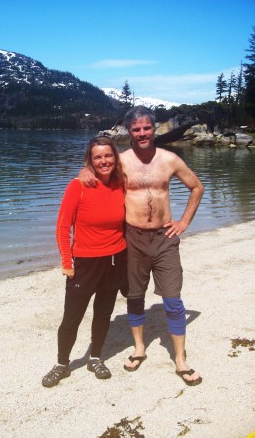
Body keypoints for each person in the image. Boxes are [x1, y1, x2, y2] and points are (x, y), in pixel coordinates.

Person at [79, 106, 204, 386]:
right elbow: (98, 170)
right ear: (129, 131)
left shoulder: (170, 159)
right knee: (135, 297)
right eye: (136, 129)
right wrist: (83, 170)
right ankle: (139, 349)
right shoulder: (121, 162)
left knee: (173, 299)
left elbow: (197, 187)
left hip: (165, 238)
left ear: (155, 128)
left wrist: (184, 221)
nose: (142, 133)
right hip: (132, 239)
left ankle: (180, 360)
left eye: (147, 128)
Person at [42, 136, 127, 388]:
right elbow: (62, 228)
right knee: (72, 317)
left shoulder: (122, 184)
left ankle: (95, 357)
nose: (104, 161)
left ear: (115, 157)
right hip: (85, 263)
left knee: (103, 313)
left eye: (108, 155)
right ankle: (62, 364)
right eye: (97, 157)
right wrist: (67, 262)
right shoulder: (77, 186)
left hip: (114, 260)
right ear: (90, 161)